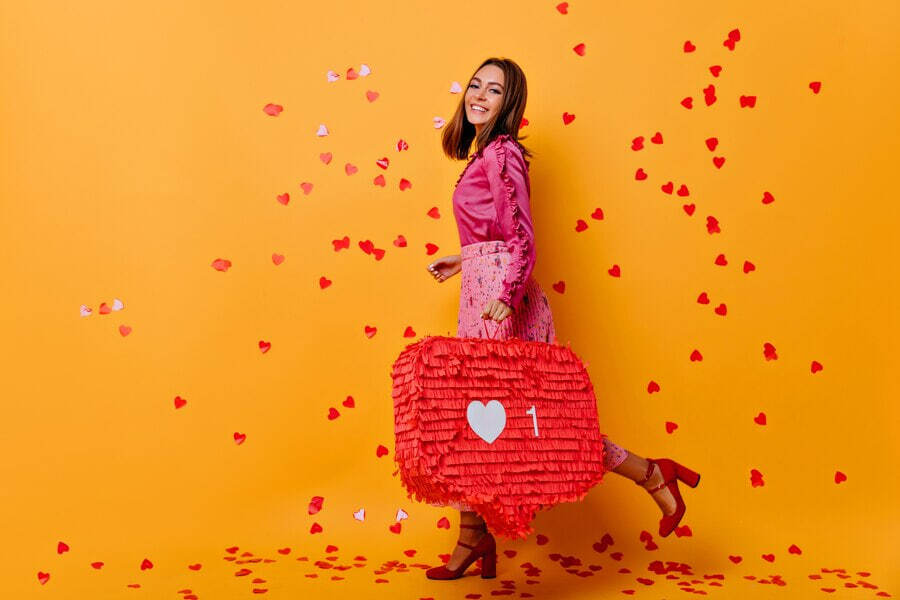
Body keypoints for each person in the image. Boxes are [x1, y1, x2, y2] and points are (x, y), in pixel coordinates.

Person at [422, 58, 701, 581]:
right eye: (476, 86)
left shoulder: (504, 153)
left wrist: (505, 295)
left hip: (498, 297)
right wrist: (463, 259)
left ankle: (648, 476)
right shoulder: (485, 153)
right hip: (482, 286)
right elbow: (497, 233)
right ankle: (476, 535)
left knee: (526, 426)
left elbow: (524, 235)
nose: (480, 95)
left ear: (511, 103)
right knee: (481, 419)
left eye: (495, 90)